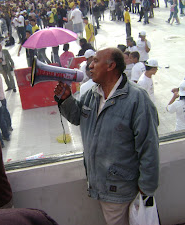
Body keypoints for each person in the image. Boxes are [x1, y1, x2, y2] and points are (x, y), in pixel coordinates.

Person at [54, 47, 159, 225]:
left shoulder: (137, 99)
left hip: (122, 188)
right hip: (100, 184)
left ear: (111, 66)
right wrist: (66, 99)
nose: (90, 66)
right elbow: (77, 117)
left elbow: (149, 146)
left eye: (95, 61)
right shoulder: (92, 94)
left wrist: (146, 189)